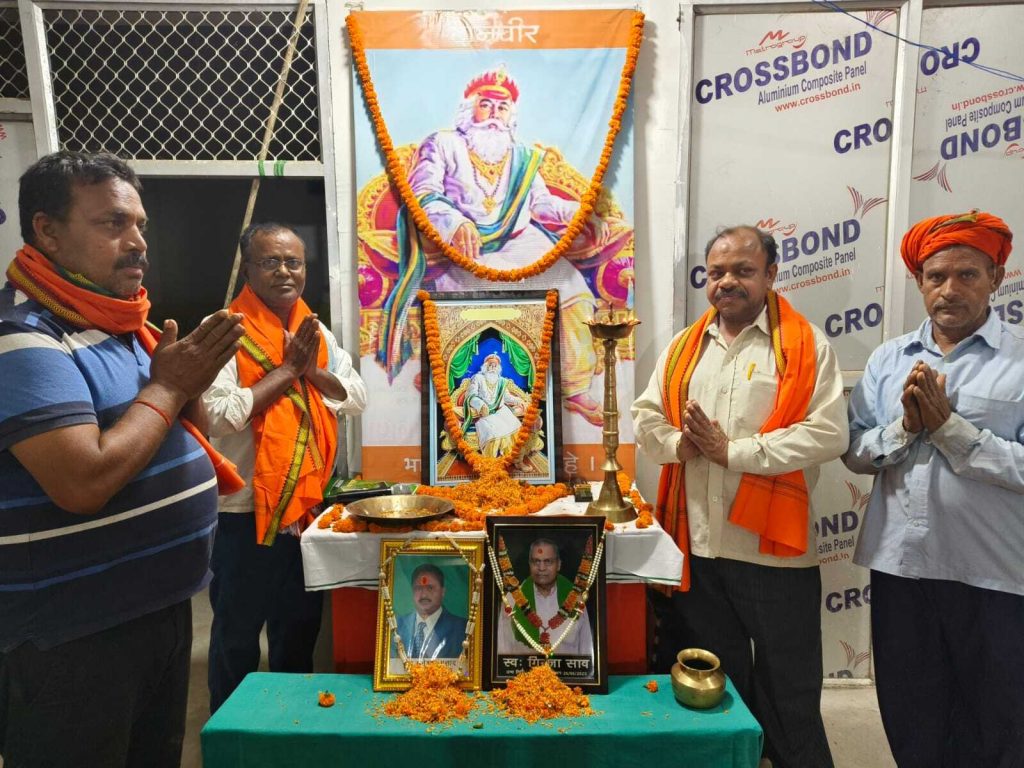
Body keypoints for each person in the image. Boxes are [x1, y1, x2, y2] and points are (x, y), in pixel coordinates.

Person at [0, 150, 244, 768]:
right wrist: (169, 386)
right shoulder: (22, 336)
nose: (137, 242)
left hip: (158, 611)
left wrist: (184, 385)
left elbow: (181, 435)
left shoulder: (119, 325)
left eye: (140, 225)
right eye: (113, 223)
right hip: (73, 639)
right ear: (47, 230)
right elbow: (83, 482)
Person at [631, 225, 848, 768]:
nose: (727, 281)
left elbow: (828, 433)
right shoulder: (684, 348)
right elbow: (645, 417)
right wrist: (680, 445)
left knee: (790, 695)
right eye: (717, 272)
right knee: (715, 691)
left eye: (743, 271)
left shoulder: (804, 346)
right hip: (699, 550)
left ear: (770, 275)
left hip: (772, 551)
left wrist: (735, 452)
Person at [843, 211, 1023, 768]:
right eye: (936, 276)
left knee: (997, 723)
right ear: (919, 281)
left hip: (992, 574)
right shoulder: (888, 358)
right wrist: (905, 428)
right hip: (902, 570)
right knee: (910, 715)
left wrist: (951, 430)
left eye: (967, 275)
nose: (949, 290)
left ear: (996, 278)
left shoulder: (1019, 361)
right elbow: (855, 450)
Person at [378, 67, 631, 426]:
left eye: (502, 106)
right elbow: (423, 194)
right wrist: (455, 222)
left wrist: (581, 212)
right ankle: (449, 377)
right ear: (469, 109)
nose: (494, 113)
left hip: (522, 244)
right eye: (486, 104)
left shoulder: (522, 155)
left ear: (512, 114)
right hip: (463, 250)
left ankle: (574, 388)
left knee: (575, 294)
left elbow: (541, 205)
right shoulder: (443, 143)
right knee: (462, 305)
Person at [202, 222, 367, 713]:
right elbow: (215, 415)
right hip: (243, 515)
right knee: (236, 637)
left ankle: (289, 727)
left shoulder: (313, 332)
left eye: (293, 262)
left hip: (305, 514)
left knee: (298, 632)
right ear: (247, 269)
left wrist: (312, 370)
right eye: (270, 262)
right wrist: (287, 373)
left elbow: (355, 396)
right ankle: (232, 731)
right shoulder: (224, 330)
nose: (284, 272)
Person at [497, 538, 594, 657]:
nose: (541, 568)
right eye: (536, 561)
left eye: (548, 562)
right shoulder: (511, 600)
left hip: (567, 668)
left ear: (558, 565)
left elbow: (586, 649)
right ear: (529, 565)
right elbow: (503, 649)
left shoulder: (576, 600)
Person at [391, 563, 468, 662]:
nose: (424, 595)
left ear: (443, 592)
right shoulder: (396, 626)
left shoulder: (462, 628)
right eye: (418, 588)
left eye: (430, 588)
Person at [464, 352, 527, 457]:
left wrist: (519, 401)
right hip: (485, 414)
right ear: (485, 366)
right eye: (490, 365)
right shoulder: (478, 378)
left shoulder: (501, 381)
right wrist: (481, 405)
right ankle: (491, 463)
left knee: (516, 427)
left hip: (501, 411)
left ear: (498, 368)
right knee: (492, 433)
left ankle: (514, 459)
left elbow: (507, 397)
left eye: (495, 365)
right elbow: (470, 396)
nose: (492, 367)